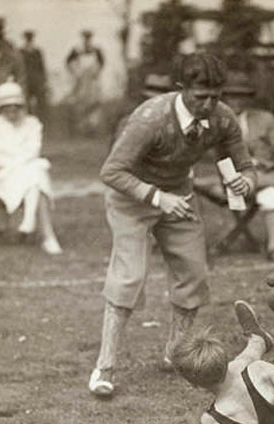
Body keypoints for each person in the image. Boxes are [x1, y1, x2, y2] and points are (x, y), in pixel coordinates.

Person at [87, 53, 256, 398]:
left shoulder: (222, 118)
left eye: (216, 96)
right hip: (132, 198)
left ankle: (175, 353)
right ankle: (105, 367)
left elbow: (244, 164)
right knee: (130, 276)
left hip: (179, 196)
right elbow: (111, 172)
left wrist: (246, 182)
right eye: (200, 96)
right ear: (182, 89)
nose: (209, 104)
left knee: (193, 274)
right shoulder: (150, 118)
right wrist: (156, 197)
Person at [219, 75, 274, 262]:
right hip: (233, 178)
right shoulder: (218, 122)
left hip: (265, 176)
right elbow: (223, 160)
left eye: (242, 96)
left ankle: (273, 248)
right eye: (232, 96)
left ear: (249, 98)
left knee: (272, 194)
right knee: (269, 186)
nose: (237, 101)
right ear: (224, 98)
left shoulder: (264, 118)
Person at [0, 82, 62, 255]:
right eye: (6, 108)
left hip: (26, 169)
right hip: (5, 174)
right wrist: (19, 164)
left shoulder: (32, 123)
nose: (11, 112)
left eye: (15, 107)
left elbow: (34, 150)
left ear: (21, 106)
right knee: (37, 174)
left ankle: (31, 223)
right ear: (0, 108)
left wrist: (20, 162)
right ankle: (45, 234)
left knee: (35, 172)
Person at [65, 30, 105, 137]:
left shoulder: (96, 50)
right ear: (83, 38)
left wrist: (95, 72)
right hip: (80, 82)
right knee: (79, 104)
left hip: (92, 82)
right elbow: (69, 63)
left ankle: (92, 129)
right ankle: (79, 129)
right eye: (85, 38)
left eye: (89, 38)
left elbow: (101, 64)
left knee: (94, 104)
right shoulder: (77, 50)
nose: (87, 40)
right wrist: (76, 72)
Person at [19, 30, 48, 123]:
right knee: (25, 101)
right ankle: (26, 121)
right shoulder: (21, 52)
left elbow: (41, 67)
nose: (29, 41)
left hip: (37, 80)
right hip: (26, 79)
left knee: (41, 101)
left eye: (30, 39)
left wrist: (43, 80)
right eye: (27, 39)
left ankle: (41, 121)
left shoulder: (37, 52)